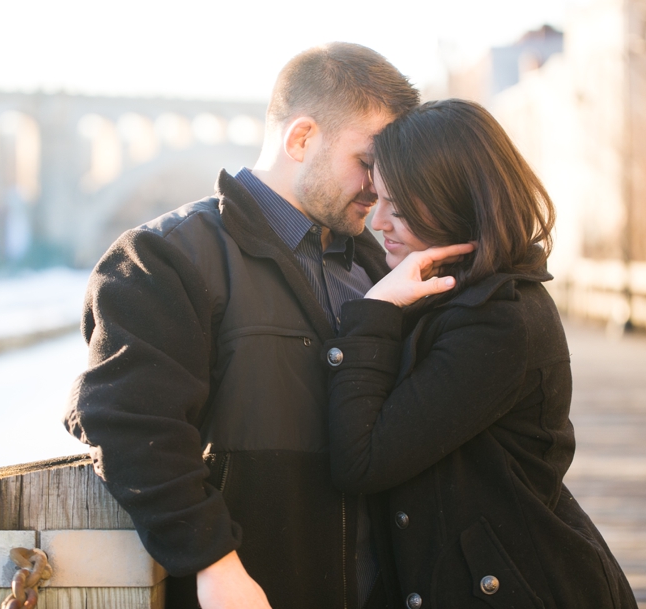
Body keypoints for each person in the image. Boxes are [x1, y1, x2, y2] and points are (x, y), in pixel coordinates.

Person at [64, 43, 421, 609]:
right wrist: (214, 565)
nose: (381, 187)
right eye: (369, 163)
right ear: (301, 138)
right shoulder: (163, 258)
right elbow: (129, 423)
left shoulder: (375, 267)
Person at [323, 99, 638, 609]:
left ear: (457, 200)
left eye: (398, 206)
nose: (376, 221)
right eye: (376, 199)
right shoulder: (455, 298)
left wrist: (374, 310)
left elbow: (363, 460)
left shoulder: (498, 322)